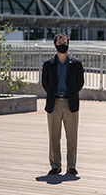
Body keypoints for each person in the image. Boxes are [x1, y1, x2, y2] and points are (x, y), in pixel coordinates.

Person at [42, 33, 84, 175]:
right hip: (54, 104)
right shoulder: (48, 64)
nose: (63, 44)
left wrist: (70, 94)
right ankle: (55, 165)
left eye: (65, 42)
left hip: (70, 103)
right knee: (54, 137)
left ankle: (71, 166)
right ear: (55, 45)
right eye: (60, 42)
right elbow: (45, 83)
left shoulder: (76, 63)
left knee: (72, 137)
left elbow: (80, 83)